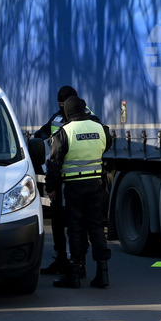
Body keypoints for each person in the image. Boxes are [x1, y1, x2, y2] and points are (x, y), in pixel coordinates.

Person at [46, 96, 112, 289]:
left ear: (67, 112)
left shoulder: (64, 132)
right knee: (96, 227)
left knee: (75, 228)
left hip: (73, 187)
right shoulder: (100, 129)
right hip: (95, 184)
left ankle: (74, 274)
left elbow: (54, 164)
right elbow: (106, 146)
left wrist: (51, 188)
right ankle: (102, 274)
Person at [35, 85, 96, 277]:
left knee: (78, 224)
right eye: (60, 105)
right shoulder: (57, 118)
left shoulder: (90, 118)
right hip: (61, 178)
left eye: (65, 105)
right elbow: (41, 133)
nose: (62, 108)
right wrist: (47, 141)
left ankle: (78, 264)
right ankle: (61, 259)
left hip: (78, 180)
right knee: (58, 221)